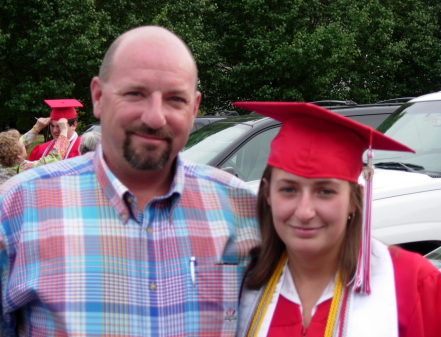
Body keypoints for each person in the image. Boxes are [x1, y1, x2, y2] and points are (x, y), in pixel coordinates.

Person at [0, 26, 260, 336]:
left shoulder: (243, 210)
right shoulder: (18, 208)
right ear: (98, 97)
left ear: (193, 108)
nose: (154, 117)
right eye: (135, 93)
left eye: (175, 99)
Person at [234, 102, 441, 337]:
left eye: (325, 191)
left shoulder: (413, 282)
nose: (305, 212)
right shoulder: (239, 282)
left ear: (353, 201)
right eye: (288, 190)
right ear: (267, 194)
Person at [0, 118, 69, 185]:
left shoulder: (3, 162)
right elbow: (54, 159)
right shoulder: (24, 169)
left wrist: (37, 128)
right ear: (18, 155)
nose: (24, 144)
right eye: (23, 145)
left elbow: (14, 146)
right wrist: (63, 131)